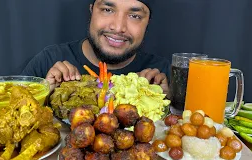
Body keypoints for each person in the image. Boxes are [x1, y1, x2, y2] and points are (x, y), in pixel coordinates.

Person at [22, 0, 170, 94]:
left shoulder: (161, 75)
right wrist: (42, 96)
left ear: (148, 22)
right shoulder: (48, 61)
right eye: (108, 10)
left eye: (135, 16)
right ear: (92, 10)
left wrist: (167, 106)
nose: (118, 27)